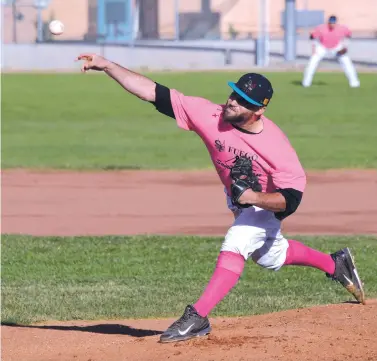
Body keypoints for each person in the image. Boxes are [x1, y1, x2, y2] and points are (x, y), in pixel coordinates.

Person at [76, 53, 365, 343]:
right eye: (233, 93)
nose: (232, 101)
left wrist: (253, 196)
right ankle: (334, 264)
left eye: (241, 101)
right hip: (240, 201)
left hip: (266, 202)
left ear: (258, 112)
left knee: (238, 241)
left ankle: (198, 316)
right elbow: (153, 92)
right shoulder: (209, 115)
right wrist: (108, 66)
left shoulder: (277, 147)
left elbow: (291, 200)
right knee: (269, 255)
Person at [302, 15, 360, 88]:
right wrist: (314, 48)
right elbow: (312, 37)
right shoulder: (321, 28)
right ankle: (306, 83)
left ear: (336, 23)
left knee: (347, 63)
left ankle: (354, 83)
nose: (332, 24)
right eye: (330, 23)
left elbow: (349, 35)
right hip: (322, 47)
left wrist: (345, 46)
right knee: (312, 64)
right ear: (328, 22)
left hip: (337, 47)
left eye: (333, 23)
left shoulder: (342, 28)